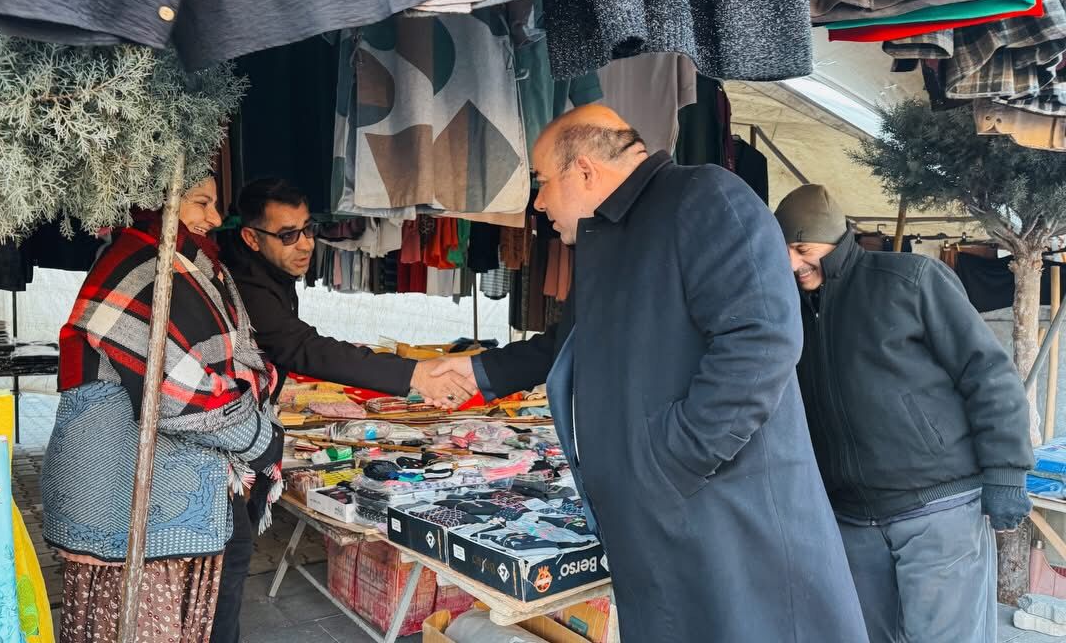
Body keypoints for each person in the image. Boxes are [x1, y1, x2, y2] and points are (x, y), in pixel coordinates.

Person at [430, 105, 868, 641]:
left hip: (722, 511)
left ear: (584, 170)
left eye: (542, 182)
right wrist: (475, 370)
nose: (538, 203)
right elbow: (569, 343)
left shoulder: (705, 196)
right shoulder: (608, 238)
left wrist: (669, 460)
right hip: (656, 514)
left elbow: (762, 341)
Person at [773, 184, 1035, 643]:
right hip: (853, 519)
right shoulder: (787, 311)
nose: (794, 264)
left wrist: (1007, 471)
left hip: (937, 507)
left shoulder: (910, 280)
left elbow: (988, 373)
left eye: (803, 249)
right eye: (785, 253)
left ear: (835, 240)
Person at [42, 175, 284, 642]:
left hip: (187, 491)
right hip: (132, 502)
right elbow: (176, 391)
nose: (215, 218)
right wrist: (260, 438)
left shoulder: (188, 265)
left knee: (210, 612)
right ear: (158, 200)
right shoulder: (141, 268)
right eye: (201, 202)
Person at [221, 178, 478, 407]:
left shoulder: (270, 269)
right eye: (288, 236)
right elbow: (303, 347)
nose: (306, 245)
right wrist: (414, 374)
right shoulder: (245, 287)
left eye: (308, 229)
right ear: (251, 238)